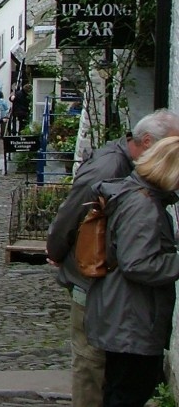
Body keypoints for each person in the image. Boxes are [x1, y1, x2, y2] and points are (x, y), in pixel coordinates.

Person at [46, 109, 179, 407]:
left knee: (110, 379)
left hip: (115, 297)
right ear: (149, 144)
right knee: (95, 371)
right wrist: (55, 251)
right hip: (102, 289)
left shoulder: (135, 185)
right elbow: (72, 213)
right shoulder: (116, 174)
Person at [84, 136, 179, 406]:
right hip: (132, 317)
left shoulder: (138, 196)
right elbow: (137, 263)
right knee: (128, 391)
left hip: (126, 314)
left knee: (122, 389)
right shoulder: (143, 204)